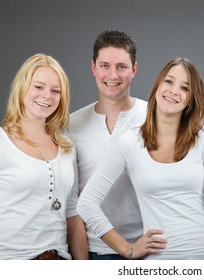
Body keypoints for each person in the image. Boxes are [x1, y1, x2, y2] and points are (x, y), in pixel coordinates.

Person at [77, 57, 204, 260]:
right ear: (158, 84)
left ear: (191, 99)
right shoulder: (129, 143)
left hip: (203, 256)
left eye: (185, 88)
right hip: (155, 261)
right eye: (169, 81)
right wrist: (127, 249)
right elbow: (86, 203)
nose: (174, 90)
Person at [66, 30, 147, 260]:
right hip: (93, 250)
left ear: (134, 69)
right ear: (93, 68)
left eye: (121, 66)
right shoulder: (72, 125)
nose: (113, 75)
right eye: (105, 65)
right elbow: (72, 202)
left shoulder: (155, 118)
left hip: (149, 249)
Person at [0, 53, 78, 259]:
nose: (47, 96)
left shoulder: (67, 147)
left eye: (55, 91)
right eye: (39, 87)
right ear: (22, 88)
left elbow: (73, 213)